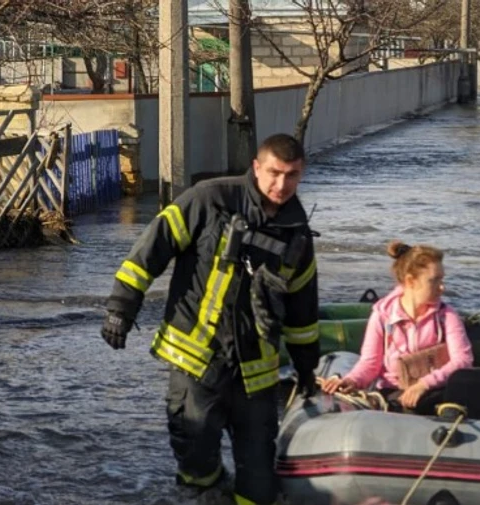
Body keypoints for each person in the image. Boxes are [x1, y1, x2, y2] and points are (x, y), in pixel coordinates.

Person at [100, 134, 320, 505]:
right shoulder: (210, 199)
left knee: (260, 482)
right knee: (196, 462)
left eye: (292, 175)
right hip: (197, 361)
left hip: (256, 372)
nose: (282, 185)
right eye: (274, 173)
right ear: (256, 167)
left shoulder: (297, 233)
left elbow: (303, 309)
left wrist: (307, 369)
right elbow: (152, 247)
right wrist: (121, 308)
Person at [320, 241, 474, 415]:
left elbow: (463, 360)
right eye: (434, 280)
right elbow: (370, 363)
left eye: (442, 279)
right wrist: (352, 380)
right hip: (393, 392)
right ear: (410, 281)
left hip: (435, 390)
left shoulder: (446, 316)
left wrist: (424, 384)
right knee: (406, 406)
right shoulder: (382, 316)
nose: (442, 287)